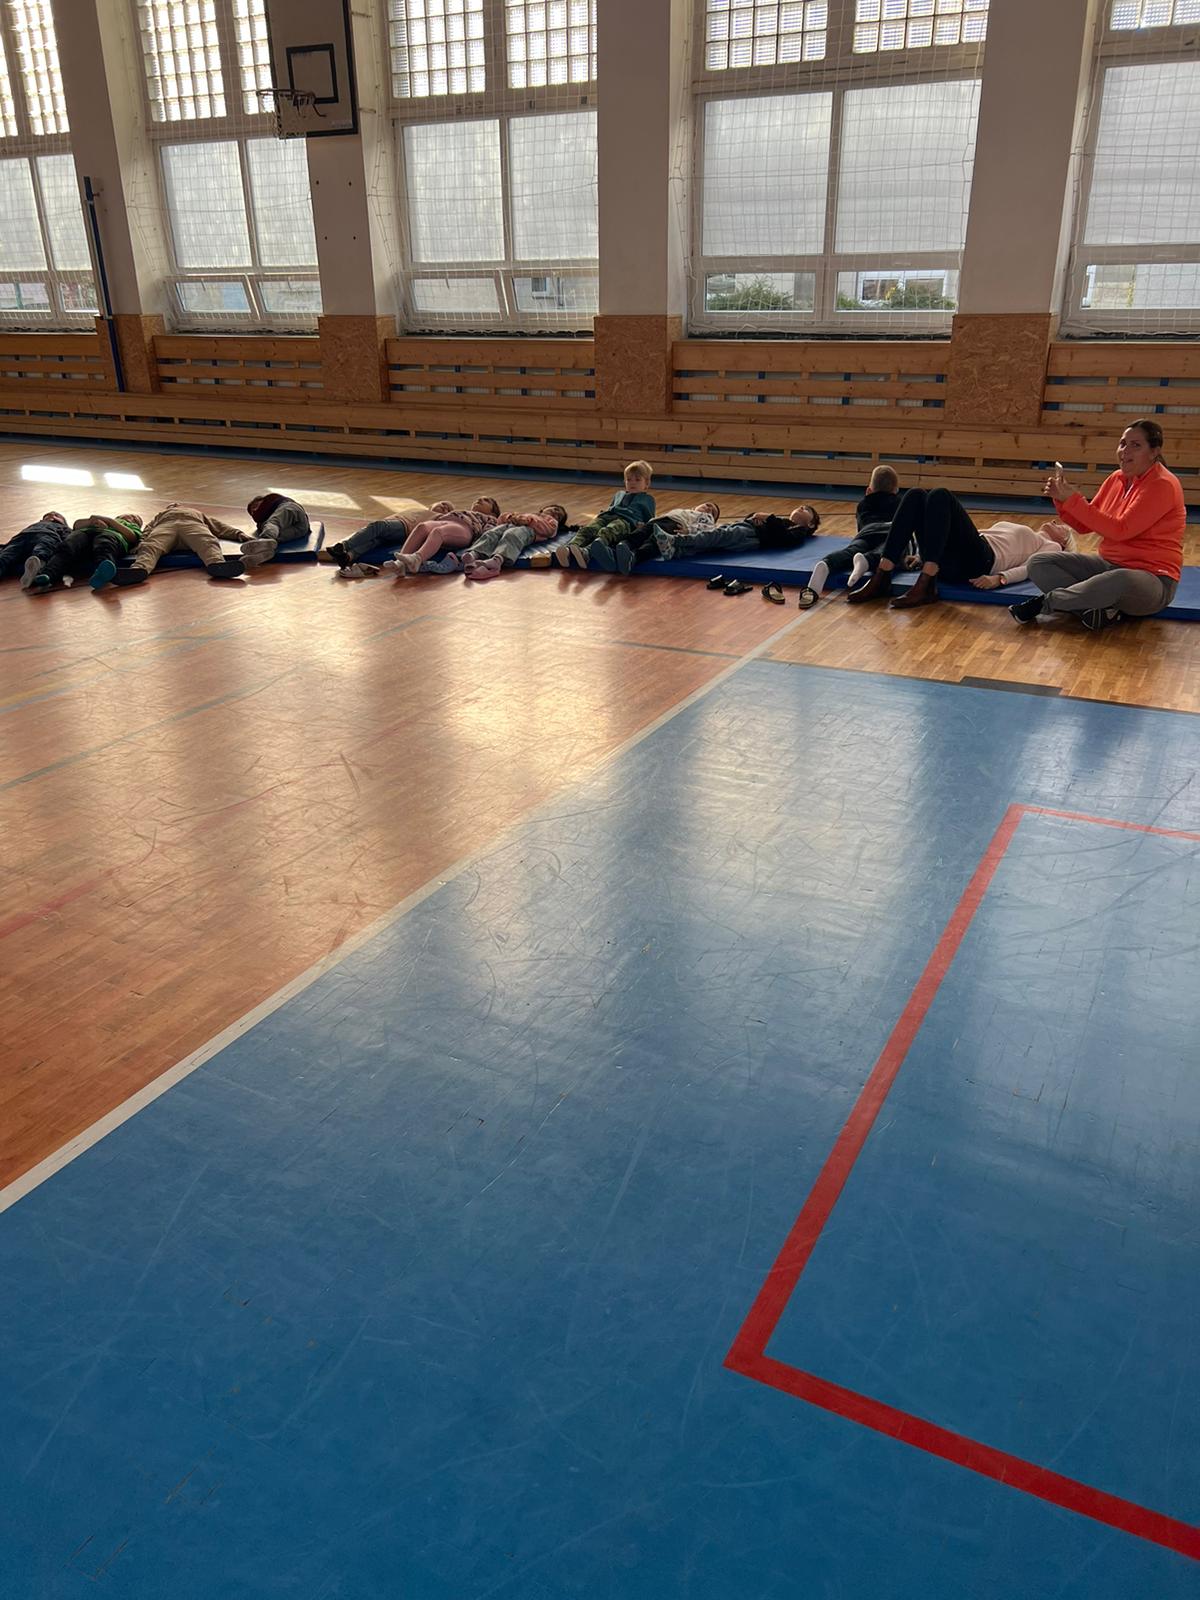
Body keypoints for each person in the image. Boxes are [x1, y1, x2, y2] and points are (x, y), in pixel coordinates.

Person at [1010, 420, 1186, 631]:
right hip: (1109, 567)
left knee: (1119, 579)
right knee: (1039, 562)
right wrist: (1062, 500)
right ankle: (1097, 611)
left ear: (1154, 452)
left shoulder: (1162, 484)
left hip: (1151, 580)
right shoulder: (1116, 479)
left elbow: (1120, 530)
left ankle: (1046, 603)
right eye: (1123, 443)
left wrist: (1074, 500)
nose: (1125, 451)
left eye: (1136, 445)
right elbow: (1084, 526)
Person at [844, 488, 1072, 608]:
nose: (1056, 522)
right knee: (916, 495)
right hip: (958, 555)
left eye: (1063, 528)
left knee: (941, 495)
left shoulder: (1052, 546)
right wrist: (921, 555)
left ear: (1064, 541)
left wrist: (1000, 579)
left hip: (980, 560)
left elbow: (1031, 567)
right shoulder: (1030, 533)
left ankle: (927, 583)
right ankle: (883, 574)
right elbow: (951, 530)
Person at [798, 466, 902, 609]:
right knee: (889, 550)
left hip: (866, 533)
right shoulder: (900, 503)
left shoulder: (863, 504)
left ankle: (826, 564)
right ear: (895, 491)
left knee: (852, 550)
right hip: (890, 532)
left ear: (868, 490)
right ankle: (866, 560)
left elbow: (861, 526)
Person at [111, 503, 268, 586]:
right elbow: (148, 529)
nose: (174, 504)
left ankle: (217, 564)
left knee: (207, 542)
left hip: (192, 525)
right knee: (151, 546)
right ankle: (139, 570)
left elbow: (217, 525)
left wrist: (238, 534)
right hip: (166, 527)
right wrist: (141, 542)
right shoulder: (160, 516)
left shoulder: (196, 513)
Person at [555, 461, 655, 568]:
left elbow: (650, 521)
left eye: (637, 480)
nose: (632, 483)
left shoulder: (648, 500)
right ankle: (569, 548)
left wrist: (641, 527)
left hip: (627, 522)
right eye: (628, 480)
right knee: (589, 529)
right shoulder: (619, 494)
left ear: (647, 483)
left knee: (609, 530)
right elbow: (611, 507)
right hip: (608, 516)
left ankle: (587, 552)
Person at [319, 502, 453, 577]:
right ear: (432, 504)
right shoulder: (418, 509)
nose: (445, 507)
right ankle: (348, 556)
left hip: (404, 527)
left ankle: (343, 546)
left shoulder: (437, 518)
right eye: (443, 503)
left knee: (378, 526)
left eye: (448, 509)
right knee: (375, 541)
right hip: (397, 528)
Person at [587, 501, 722, 574]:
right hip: (660, 520)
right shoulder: (685, 510)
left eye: (713, 512)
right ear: (696, 506)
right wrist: (647, 522)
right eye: (707, 505)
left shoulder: (706, 518)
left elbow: (706, 530)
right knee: (640, 534)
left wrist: (689, 530)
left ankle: (634, 557)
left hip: (676, 526)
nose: (709, 509)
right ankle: (617, 550)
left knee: (654, 542)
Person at [381, 497, 503, 576]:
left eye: (486, 501)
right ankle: (400, 564)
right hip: (446, 520)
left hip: (464, 528)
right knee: (422, 527)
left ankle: (417, 559)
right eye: (479, 499)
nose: (480, 500)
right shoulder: (466, 512)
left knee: (438, 532)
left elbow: (488, 535)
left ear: (493, 513)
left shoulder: (490, 519)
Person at [653, 505, 820, 560]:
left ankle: (677, 541)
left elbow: (784, 538)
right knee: (714, 543)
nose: (801, 507)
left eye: (806, 510)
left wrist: (768, 518)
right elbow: (759, 518)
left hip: (751, 536)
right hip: (747, 527)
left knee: (716, 536)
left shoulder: (799, 531)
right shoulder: (784, 521)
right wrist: (755, 517)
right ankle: (677, 552)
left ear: (811, 523)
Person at [455, 505, 570, 581]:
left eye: (559, 515)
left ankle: (497, 560)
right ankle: (474, 554)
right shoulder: (528, 513)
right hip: (511, 524)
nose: (555, 512)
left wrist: (530, 521)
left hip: (528, 530)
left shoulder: (550, 521)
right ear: (543, 509)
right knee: (492, 534)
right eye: (554, 508)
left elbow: (549, 531)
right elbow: (501, 519)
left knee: (512, 535)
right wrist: (512, 517)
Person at [61, 513, 145, 592]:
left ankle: (103, 571)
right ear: (119, 516)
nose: (133, 518)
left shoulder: (131, 527)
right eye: (131, 515)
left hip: (110, 538)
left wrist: (109, 521)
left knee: (104, 544)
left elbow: (132, 536)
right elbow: (76, 525)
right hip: (87, 536)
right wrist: (91, 521)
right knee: (71, 544)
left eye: (136, 520)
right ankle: (54, 570)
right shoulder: (100, 520)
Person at [0, 512, 70, 590]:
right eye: (47, 516)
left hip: (48, 535)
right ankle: (34, 568)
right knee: (7, 554)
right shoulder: (34, 525)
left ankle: (37, 568)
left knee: (42, 550)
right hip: (23, 536)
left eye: (56, 516)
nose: (52, 516)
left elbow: (69, 540)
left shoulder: (63, 528)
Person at [245, 492, 311, 563]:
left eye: (255, 506)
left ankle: (264, 541)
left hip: (290, 509)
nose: (254, 510)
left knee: (273, 523)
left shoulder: (271, 501)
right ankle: (264, 553)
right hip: (301, 529)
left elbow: (270, 523)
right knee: (276, 536)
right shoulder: (266, 519)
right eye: (252, 512)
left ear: (262, 501)